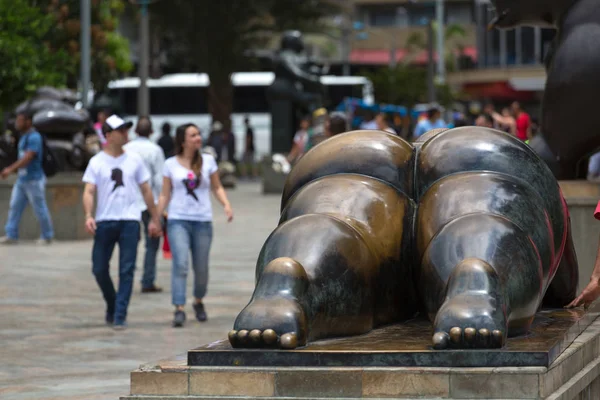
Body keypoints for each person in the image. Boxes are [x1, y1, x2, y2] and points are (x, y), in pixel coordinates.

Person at [82, 114, 161, 330]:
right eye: (121, 130)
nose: (126, 134)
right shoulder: (97, 161)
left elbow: (146, 190)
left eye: (127, 130)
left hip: (130, 220)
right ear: (108, 135)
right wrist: (89, 215)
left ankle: (120, 314)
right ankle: (112, 302)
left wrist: (155, 218)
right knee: (99, 268)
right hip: (105, 220)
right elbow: (89, 190)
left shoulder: (134, 160)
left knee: (126, 270)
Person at [157, 123, 234, 327]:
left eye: (198, 134)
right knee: (180, 264)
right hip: (177, 220)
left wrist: (226, 204)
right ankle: (179, 307)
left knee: (201, 268)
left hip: (202, 221)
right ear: (183, 141)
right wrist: (156, 217)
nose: (198, 138)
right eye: (193, 135)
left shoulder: (208, 161)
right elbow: (165, 193)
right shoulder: (170, 164)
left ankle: (198, 301)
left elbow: (216, 186)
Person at [123, 116, 165, 293]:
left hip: (130, 202)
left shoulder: (126, 149)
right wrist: (161, 207)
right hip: (149, 203)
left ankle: (127, 279)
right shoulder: (155, 150)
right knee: (151, 244)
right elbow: (158, 179)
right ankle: (147, 280)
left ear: (135, 131)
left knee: (129, 243)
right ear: (152, 132)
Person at [0, 110, 54, 245]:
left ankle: (47, 235)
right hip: (22, 180)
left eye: (20, 120)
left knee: (39, 208)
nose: (17, 123)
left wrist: (10, 169)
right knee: (15, 207)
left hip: (34, 179)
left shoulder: (34, 137)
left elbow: (28, 157)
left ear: (28, 122)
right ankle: (11, 234)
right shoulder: (23, 136)